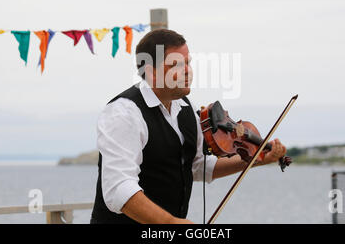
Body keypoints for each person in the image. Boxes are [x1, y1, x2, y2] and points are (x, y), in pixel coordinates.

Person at [90, 29, 288, 224]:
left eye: (188, 63)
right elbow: (118, 188)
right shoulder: (123, 113)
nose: (187, 71)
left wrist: (255, 159)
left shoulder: (187, 109)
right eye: (176, 64)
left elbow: (197, 166)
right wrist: (169, 222)